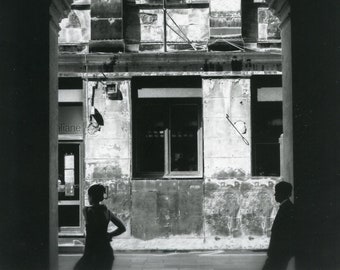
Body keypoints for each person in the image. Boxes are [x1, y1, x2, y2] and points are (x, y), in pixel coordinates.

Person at [74, 184, 126, 270]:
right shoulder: (107, 212)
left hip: (92, 253)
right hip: (106, 251)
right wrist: (110, 235)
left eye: (88, 195)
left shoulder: (87, 211)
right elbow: (122, 228)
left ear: (91, 196)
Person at [262, 181, 294, 270]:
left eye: (277, 192)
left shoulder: (286, 209)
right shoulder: (287, 207)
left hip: (278, 253)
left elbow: (282, 233)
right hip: (280, 253)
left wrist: (272, 251)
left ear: (282, 193)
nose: (275, 195)